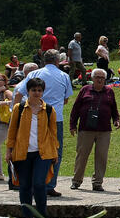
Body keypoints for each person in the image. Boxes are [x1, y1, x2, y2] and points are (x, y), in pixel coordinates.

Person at [13, 50, 74, 197]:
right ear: (58, 61)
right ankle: (49, 184)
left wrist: (16, 112)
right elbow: (66, 99)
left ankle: (34, 183)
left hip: (32, 116)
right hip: (55, 117)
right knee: (55, 151)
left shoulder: (34, 74)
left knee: (32, 150)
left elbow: (19, 93)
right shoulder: (64, 76)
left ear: (43, 60)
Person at [5, 77, 58, 218]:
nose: (36, 93)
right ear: (28, 91)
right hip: (23, 152)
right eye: (33, 90)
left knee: (39, 183)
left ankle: (42, 216)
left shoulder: (49, 110)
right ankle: (27, 217)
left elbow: (53, 133)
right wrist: (8, 151)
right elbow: (12, 130)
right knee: (25, 186)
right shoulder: (19, 108)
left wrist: (55, 153)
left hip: (43, 153)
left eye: (39, 90)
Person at [69, 68, 120, 191]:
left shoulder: (109, 91)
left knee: (101, 156)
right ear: (92, 78)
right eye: (97, 77)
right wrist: (72, 125)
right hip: (86, 129)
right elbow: (76, 108)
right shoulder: (85, 90)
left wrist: (116, 119)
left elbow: (114, 108)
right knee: (82, 155)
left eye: (102, 78)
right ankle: (76, 181)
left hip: (104, 130)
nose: (100, 80)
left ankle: (97, 182)